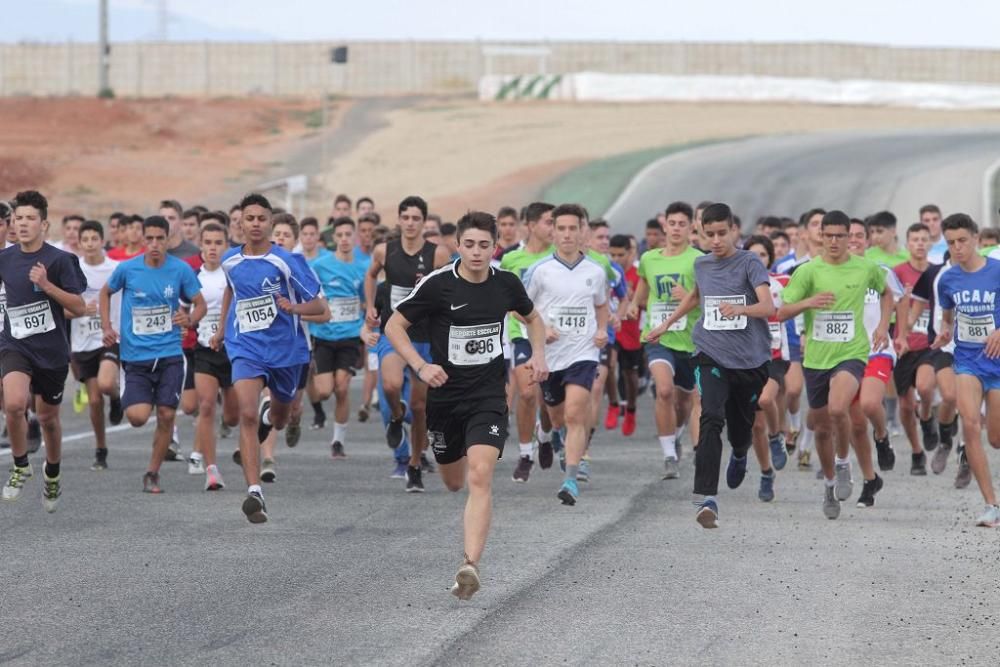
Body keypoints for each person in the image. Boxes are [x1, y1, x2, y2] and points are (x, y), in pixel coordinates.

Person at [386, 211, 547, 600]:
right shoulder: (438, 285)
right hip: (446, 397)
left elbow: (533, 318)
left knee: (480, 475)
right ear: (458, 245)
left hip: (489, 396)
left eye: (484, 245)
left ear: (496, 247)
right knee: (455, 480)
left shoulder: (506, 284)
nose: (477, 252)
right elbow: (394, 325)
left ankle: (469, 565)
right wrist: (421, 366)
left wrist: (539, 354)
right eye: (469, 244)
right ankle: (466, 548)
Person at [647, 204, 774, 527]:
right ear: (700, 234)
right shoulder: (701, 264)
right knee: (711, 417)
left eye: (722, 233)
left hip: (750, 359)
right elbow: (695, 297)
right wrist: (665, 324)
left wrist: (741, 310)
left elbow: (768, 306)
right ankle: (706, 499)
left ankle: (742, 453)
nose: (716, 240)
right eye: (709, 234)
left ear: (735, 231)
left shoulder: (750, 262)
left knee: (742, 429)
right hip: (711, 352)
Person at [211, 194, 325, 523]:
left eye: (262, 218)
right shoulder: (230, 260)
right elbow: (231, 289)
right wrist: (220, 330)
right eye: (250, 218)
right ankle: (254, 492)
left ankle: (270, 417)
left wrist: (294, 308)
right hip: (245, 346)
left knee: (280, 417)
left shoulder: (286, 261)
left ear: (271, 223)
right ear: (241, 223)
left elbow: (320, 308)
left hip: (286, 352)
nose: (256, 224)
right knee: (246, 412)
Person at [778, 210, 889, 519]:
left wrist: (882, 326)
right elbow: (782, 312)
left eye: (842, 235)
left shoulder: (865, 267)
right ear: (821, 236)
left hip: (851, 354)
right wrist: (808, 303)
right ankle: (829, 483)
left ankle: (843, 464)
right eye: (831, 236)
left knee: (839, 409)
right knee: (822, 427)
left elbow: (888, 293)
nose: (837, 241)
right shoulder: (808, 272)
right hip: (816, 359)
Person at [99, 215, 205, 493]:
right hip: (135, 356)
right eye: (151, 238)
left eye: (161, 238)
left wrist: (190, 320)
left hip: (170, 353)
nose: (156, 244)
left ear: (168, 239)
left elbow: (200, 304)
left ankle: (152, 472)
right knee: (137, 418)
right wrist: (107, 326)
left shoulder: (180, 270)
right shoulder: (128, 269)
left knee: (168, 415)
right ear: (144, 239)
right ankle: (128, 398)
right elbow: (105, 292)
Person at [0, 191, 87, 512]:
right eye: (18, 218)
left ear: (44, 224)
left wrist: (48, 285)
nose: (22, 224)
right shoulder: (5, 259)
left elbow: (78, 307)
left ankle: (52, 472)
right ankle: (21, 464)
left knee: (49, 419)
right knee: (13, 404)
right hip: (15, 345)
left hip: (51, 352)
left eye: (29, 219)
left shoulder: (60, 260)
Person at [523, 204, 608, 506]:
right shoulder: (540, 271)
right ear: (553, 232)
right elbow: (519, 309)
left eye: (574, 228)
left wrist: (601, 330)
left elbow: (602, 305)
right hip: (550, 356)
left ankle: (571, 478)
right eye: (562, 228)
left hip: (583, 352)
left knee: (575, 413)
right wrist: (541, 329)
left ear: (583, 231)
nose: (568, 234)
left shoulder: (596, 271)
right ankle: (553, 435)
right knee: (557, 416)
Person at [364, 196, 451, 492]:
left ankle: (414, 464)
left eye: (417, 218)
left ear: (424, 222)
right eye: (406, 218)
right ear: (399, 220)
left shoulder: (438, 254)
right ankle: (395, 419)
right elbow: (371, 275)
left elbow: (449, 288)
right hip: (394, 330)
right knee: (389, 385)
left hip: (426, 336)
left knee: (421, 407)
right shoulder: (384, 250)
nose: (411, 223)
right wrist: (369, 306)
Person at [932, 214, 1000, 527]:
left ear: (975, 238)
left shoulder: (997, 271)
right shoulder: (947, 279)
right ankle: (991, 505)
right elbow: (947, 315)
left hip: (997, 363)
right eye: (951, 243)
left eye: (962, 241)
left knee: (997, 438)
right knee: (971, 427)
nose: (957, 248)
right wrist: (945, 331)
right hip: (968, 360)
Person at [627, 201, 701, 480]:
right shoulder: (650, 258)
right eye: (673, 223)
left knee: (686, 402)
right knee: (665, 390)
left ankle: (679, 435)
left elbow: (708, 299)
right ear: (665, 225)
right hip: (658, 336)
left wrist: (690, 298)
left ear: (692, 226)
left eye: (683, 224)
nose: (677, 229)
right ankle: (669, 455)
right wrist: (635, 303)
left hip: (690, 339)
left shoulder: (699, 259)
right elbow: (643, 285)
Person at [847, 218, 914, 479]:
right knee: (854, 424)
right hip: (844, 354)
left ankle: (882, 435)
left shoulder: (880, 269)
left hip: (877, 349)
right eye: (848, 235)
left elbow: (900, 299)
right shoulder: (829, 273)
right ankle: (868, 478)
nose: (853, 240)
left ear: (867, 240)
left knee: (870, 403)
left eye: (858, 236)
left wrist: (901, 335)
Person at [500, 202, 556, 482]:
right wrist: (533, 326)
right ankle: (524, 455)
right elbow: (510, 304)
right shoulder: (512, 260)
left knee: (549, 400)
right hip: (522, 334)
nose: (553, 228)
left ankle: (544, 435)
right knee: (527, 392)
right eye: (549, 222)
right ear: (531, 225)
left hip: (556, 338)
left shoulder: (559, 258)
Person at [309, 218, 367, 460]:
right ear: (334, 239)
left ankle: (337, 441)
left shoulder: (365, 266)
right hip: (323, 335)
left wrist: (366, 324)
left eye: (347, 234)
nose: (344, 239)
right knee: (324, 391)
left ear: (353, 237)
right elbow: (310, 292)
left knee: (342, 388)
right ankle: (312, 375)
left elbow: (369, 299)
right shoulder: (320, 265)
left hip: (350, 336)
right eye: (339, 235)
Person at [69, 220, 123, 471]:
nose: (90, 244)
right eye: (85, 239)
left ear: (102, 241)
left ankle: (116, 397)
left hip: (110, 337)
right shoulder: (72, 269)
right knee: (92, 401)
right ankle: (101, 449)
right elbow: (62, 309)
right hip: (82, 342)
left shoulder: (116, 268)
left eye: (94, 238)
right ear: (79, 244)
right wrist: (80, 310)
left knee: (105, 383)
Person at [190, 222, 237, 491]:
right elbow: (186, 307)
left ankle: (226, 423)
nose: (213, 248)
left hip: (232, 351)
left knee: (232, 416)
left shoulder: (233, 274)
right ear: (201, 246)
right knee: (205, 405)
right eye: (208, 242)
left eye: (218, 243)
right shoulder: (194, 277)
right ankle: (211, 469)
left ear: (226, 246)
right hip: (204, 351)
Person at [893, 223, 944, 468]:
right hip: (904, 345)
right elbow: (888, 307)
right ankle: (916, 452)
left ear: (930, 243)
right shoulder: (897, 272)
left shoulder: (937, 273)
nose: (920, 244)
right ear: (908, 244)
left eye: (924, 239)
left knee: (925, 387)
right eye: (915, 239)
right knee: (904, 405)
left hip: (929, 344)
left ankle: (925, 416)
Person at [609, 234, 641, 436]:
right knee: (609, 365)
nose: (617, 259)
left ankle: (630, 409)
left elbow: (646, 300)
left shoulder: (638, 274)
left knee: (630, 374)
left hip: (632, 331)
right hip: (613, 328)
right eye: (613, 255)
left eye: (621, 255)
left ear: (630, 253)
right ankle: (613, 403)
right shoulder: (608, 272)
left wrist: (635, 302)